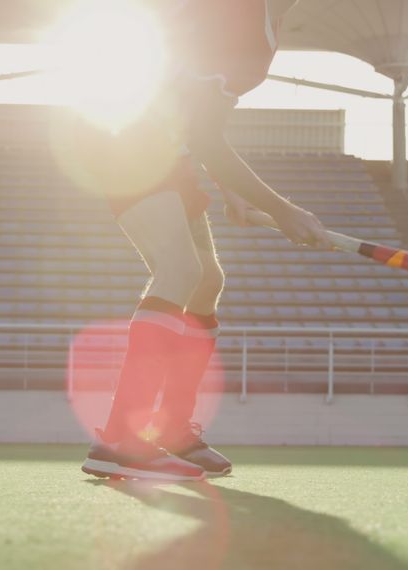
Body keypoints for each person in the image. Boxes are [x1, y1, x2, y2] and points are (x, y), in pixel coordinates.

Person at [81, 0, 327, 481]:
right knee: (180, 270)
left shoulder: (264, 26)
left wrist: (235, 193)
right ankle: (119, 441)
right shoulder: (241, 16)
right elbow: (208, 138)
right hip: (127, 139)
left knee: (206, 281)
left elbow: (201, 124)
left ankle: (172, 431)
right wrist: (283, 209)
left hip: (166, 150)